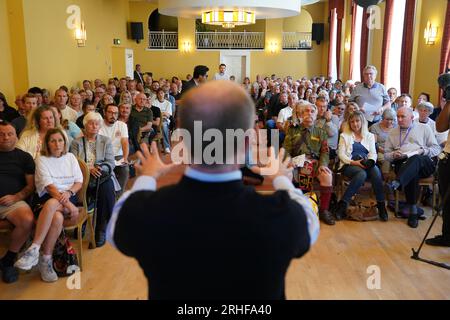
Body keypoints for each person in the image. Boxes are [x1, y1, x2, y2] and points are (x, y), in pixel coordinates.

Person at [107, 81, 319, 300]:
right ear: (247, 143)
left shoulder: (146, 212)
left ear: (184, 140)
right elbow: (310, 223)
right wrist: (283, 181)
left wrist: (147, 178)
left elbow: (114, 229)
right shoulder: (282, 215)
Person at [14, 128, 82, 282]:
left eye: (60, 140)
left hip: (67, 197)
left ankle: (34, 248)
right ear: (47, 144)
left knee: (53, 205)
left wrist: (70, 194)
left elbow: (79, 181)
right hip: (46, 200)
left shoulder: (71, 157)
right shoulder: (41, 159)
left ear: (65, 142)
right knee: (56, 217)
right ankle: (46, 260)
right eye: (53, 141)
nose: (57, 144)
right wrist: (70, 206)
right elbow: (50, 187)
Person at [385, 107, 441, 228]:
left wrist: (422, 151)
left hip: (424, 162)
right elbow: (386, 154)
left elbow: (436, 149)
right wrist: (393, 154)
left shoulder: (424, 128)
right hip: (402, 162)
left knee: (415, 159)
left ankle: (398, 182)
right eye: (398, 117)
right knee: (412, 171)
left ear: (411, 117)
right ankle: (413, 212)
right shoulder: (393, 132)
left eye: (402, 116)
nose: (399, 119)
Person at [283, 102, 335, 225]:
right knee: (285, 175)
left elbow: (325, 152)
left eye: (312, 112)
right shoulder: (292, 130)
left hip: (315, 163)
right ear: (300, 114)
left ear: (316, 115)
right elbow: (285, 149)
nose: (309, 114)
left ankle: (323, 210)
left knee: (327, 176)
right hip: (296, 162)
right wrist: (289, 160)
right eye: (306, 111)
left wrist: (323, 164)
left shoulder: (321, 132)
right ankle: (288, 209)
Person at [70, 112, 117, 247]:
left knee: (107, 191)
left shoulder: (105, 141)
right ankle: (82, 221)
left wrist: (101, 168)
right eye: (91, 123)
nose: (94, 126)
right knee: (79, 192)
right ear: (85, 125)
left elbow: (111, 163)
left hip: (101, 177)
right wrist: (88, 168)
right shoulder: (76, 142)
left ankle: (100, 230)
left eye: (97, 124)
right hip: (81, 177)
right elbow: (73, 161)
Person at [335, 111, 388, 221]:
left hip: (365, 163)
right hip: (349, 164)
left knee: (376, 171)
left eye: (357, 121)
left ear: (362, 122)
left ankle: (381, 205)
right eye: (352, 121)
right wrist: (355, 163)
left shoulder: (369, 136)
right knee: (361, 173)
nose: (355, 124)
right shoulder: (344, 135)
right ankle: (343, 205)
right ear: (349, 123)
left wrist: (370, 161)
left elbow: (373, 153)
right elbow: (341, 155)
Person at [0, 122, 35, 283]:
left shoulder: (24, 157)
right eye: (1, 134)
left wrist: (16, 197)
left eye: (9, 134)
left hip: (12, 202)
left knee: (27, 221)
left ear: (16, 136)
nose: (5, 137)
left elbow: (30, 186)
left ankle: (8, 260)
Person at [427, 80, 450, 246]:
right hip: (448, 157)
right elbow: (440, 127)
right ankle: (447, 236)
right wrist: (449, 101)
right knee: (446, 199)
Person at [99, 104, 129, 194]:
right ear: (104, 112)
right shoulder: (98, 124)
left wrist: (125, 158)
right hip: (103, 156)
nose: (113, 115)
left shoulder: (122, 125)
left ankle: (118, 195)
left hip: (118, 156)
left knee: (125, 170)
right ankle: (108, 194)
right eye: (110, 112)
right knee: (105, 171)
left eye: (116, 113)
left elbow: (125, 142)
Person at [369, 109, 397, 175]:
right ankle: (385, 180)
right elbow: (374, 144)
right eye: (387, 119)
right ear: (382, 118)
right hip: (380, 150)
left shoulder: (396, 127)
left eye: (392, 120)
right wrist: (385, 151)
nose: (389, 122)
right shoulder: (375, 127)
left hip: (394, 150)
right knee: (387, 158)